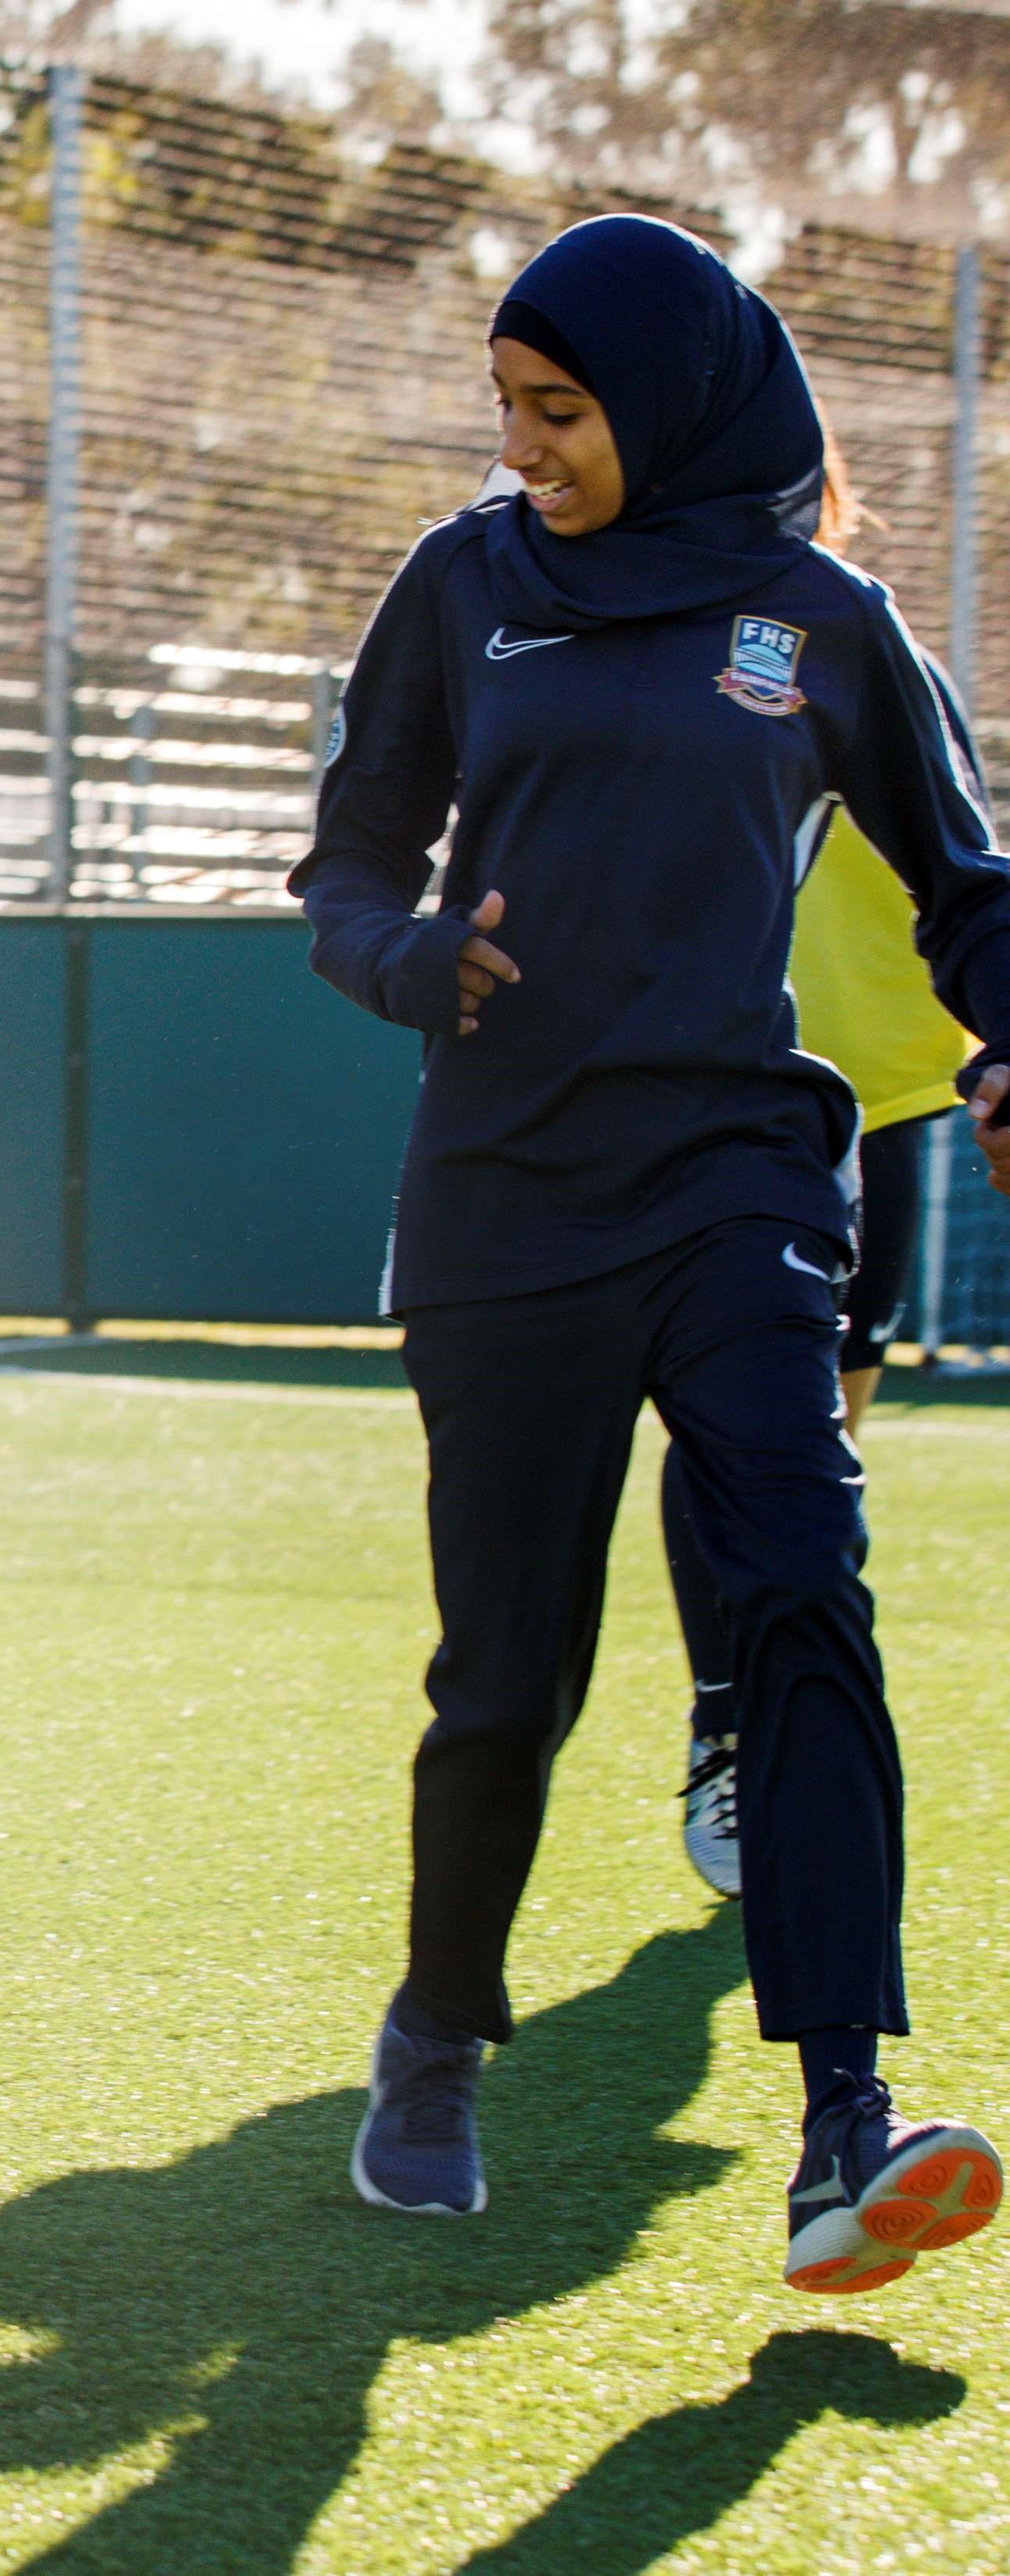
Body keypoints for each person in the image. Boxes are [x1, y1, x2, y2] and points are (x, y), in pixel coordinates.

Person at [299, 213, 1006, 2292]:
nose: (525, 447)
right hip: (509, 1194)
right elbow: (344, 868)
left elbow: (966, 883)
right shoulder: (465, 586)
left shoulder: (817, 618)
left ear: (675, 399)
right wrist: (414, 961)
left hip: (735, 1179)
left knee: (802, 1592)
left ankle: (845, 2119)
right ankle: (434, 2038)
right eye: (508, 409)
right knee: (506, 1677)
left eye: (562, 411)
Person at [664, 444, 984, 1900]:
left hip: (893, 1093)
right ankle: (731, 1731)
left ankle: (786, 1718)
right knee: (728, 1418)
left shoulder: (869, 648)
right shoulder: (666, 657)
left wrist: (984, 1048)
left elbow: (964, 877)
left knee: (820, 1440)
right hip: (739, 1095)